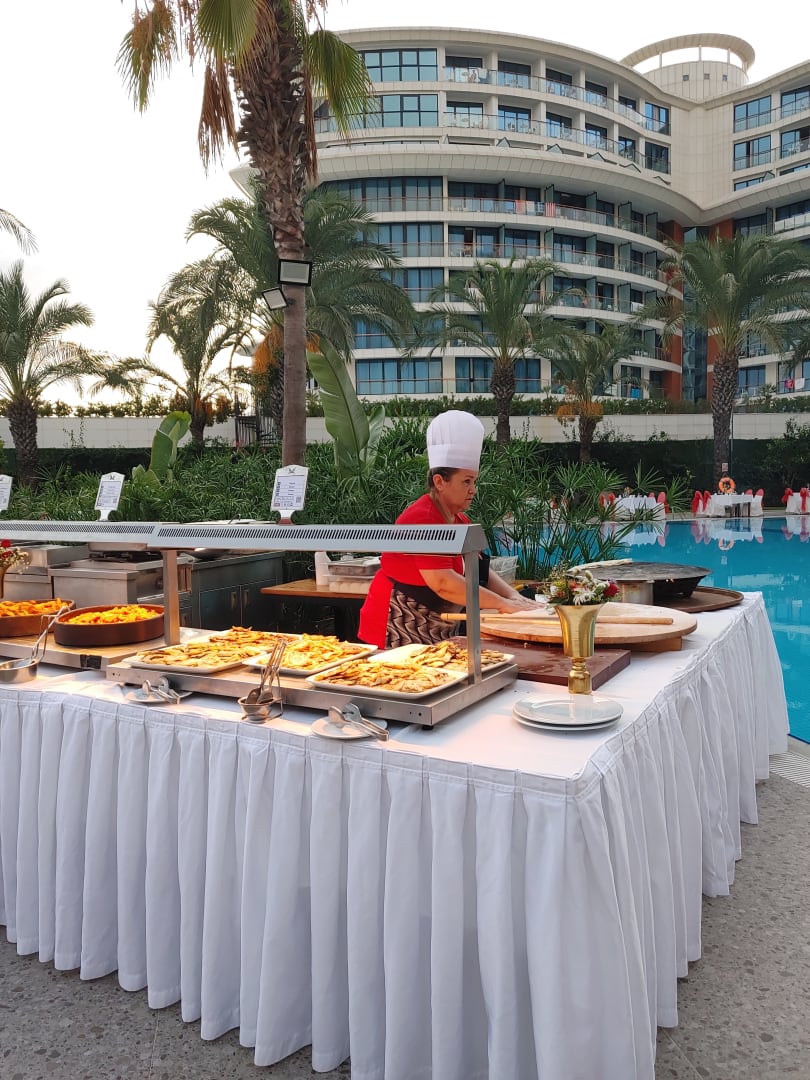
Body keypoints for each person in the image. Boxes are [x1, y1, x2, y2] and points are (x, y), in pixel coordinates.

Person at [358, 410, 539, 648]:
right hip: (395, 622)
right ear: (440, 482)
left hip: (437, 625)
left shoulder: (459, 520)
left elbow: (479, 570)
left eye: (474, 481)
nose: (473, 489)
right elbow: (442, 581)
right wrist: (501, 604)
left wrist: (513, 597)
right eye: (466, 481)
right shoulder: (422, 518)